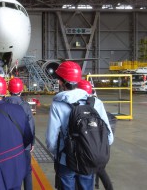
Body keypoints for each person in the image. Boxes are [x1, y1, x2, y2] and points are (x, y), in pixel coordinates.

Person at [45, 61, 114, 190]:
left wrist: (60, 154)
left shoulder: (58, 104)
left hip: (66, 161)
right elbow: (109, 137)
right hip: (88, 159)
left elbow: (51, 139)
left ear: (61, 82)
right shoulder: (96, 103)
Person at [77, 79, 115, 190]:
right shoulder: (97, 102)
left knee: (91, 173)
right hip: (99, 146)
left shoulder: (78, 105)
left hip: (86, 150)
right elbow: (109, 137)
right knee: (99, 170)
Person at [4, 77, 35, 190]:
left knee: (10, 171)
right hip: (24, 145)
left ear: (8, 90)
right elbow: (31, 126)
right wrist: (31, 143)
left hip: (8, 146)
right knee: (27, 171)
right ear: (21, 90)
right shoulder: (25, 105)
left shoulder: (3, 105)